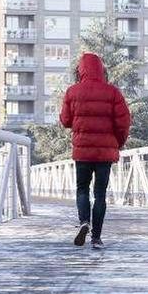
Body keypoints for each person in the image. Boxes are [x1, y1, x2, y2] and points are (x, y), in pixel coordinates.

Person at [59, 52, 131, 249]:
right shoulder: (113, 92)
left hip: (82, 151)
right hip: (105, 153)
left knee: (82, 189)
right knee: (100, 194)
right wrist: (118, 143)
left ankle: (84, 222)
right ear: (101, 70)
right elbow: (123, 122)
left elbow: (65, 120)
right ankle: (97, 238)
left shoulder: (72, 92)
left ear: (80, 71)